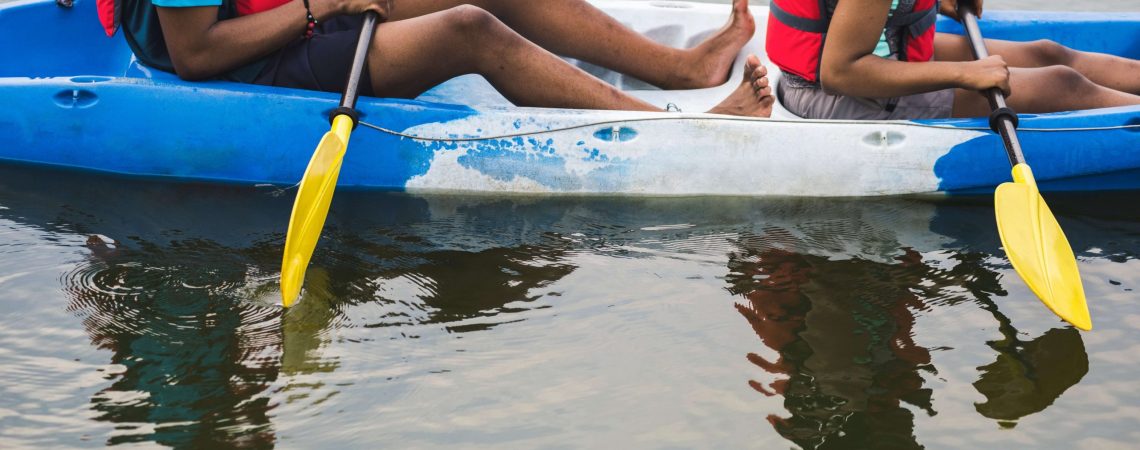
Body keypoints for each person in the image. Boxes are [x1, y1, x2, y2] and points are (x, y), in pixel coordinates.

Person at [97, 0, 774, 117]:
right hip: (241, 61)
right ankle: (669, 125)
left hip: (290, 19)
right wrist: (319, 9)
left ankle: (679, 69)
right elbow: (195, 54)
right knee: (467, 29)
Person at [766, 0, 1140, 120]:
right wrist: (965, 73)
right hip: (839, 93)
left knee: (1046, 54)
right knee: (1061, 85)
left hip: (887, 50)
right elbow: (839, 72)